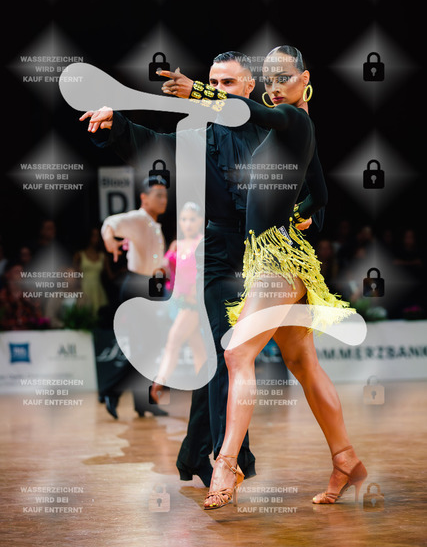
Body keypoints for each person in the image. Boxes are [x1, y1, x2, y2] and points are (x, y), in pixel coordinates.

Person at [79, 51, 322, 485]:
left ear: (249, 87)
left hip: (269, 256)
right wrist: (116, 124)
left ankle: (196, 452)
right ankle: (228, 462)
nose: (218, 90)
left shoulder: (277, 124)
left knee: (281, 360)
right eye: (213, 82)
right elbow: (154, 145)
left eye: (228, 83)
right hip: (219, 256)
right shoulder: (197, 136)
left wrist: (306, 214)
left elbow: (312, 189)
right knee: (228, 348)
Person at [168, 45, 367, 509]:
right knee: (303, 364)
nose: (275, 87)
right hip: (278, 255)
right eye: (270, 79)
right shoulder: (298, 128)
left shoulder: (292, 118)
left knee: (237, 352)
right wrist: (298, 214)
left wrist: (198, 91)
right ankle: (345, 460)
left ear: (305, 79)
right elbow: (320, 194)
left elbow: (249, 111)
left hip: (277, 261)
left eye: (284, 77)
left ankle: (226, 463)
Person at [98, 176, 169, 419]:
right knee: (149, 347)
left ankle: (142, 402)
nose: (163, 200)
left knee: (148, 347)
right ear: (144, 198)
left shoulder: (153, 224)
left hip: (149, 287)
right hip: (136, 287)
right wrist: (109, 239)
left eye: (165, 195)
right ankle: (111, 391)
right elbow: (110, 223)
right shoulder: (139, 218)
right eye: (158, 195)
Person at [150, 201, 205, 405]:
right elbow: (162, 268)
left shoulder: (203, 242)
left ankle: (159, 382)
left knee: (173, 341)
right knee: (197, 348)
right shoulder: (176, 245)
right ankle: (206, 394)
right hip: (180, 303)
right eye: (184, 219)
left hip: (195, 304)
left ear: (200, 221)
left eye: (192, 219)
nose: (188, 223)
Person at [73, 227, 111, 317]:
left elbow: (110, 276)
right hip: (84, 288)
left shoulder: (103, 256)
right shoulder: (79, 255)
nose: (96, 238)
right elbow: (73, 276)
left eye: (98, 236)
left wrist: (122, 271)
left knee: (98, 315)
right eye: (94, 235)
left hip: (98, 290)